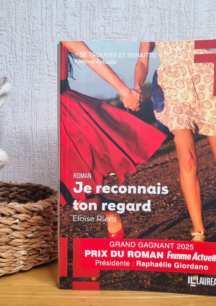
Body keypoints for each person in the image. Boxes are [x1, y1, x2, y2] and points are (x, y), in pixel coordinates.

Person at [60, 41, 167, 238]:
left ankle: (109, 210)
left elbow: (90, 57)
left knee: (80, 198)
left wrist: (124, 91)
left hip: (65, 116)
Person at [134, 40, 216, 242]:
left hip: (208, 80)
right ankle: (199, 232)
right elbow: (142, 61)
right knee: (187, 158)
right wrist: (137, 87)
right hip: (172, 86)